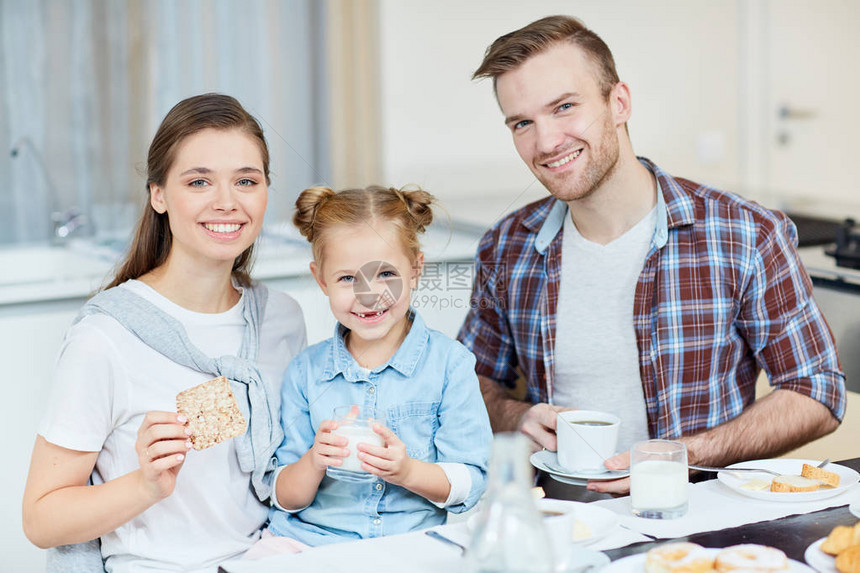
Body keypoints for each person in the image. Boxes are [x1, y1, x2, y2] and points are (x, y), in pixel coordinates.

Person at [457, 15, 845, 494]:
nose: (545, 142)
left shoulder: (745, 234)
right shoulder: (506, 246)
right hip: (560, 520)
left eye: (564, 107)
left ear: (619, 102)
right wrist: (514, 417)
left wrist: (687, 456)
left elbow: (817, 392)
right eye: (522, 123)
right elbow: (467, 383)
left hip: (695, 524)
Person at [22, 93, 306, 571]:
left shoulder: (282, 318)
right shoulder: (106, 336)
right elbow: (41, 518)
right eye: (199, 182)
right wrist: (144, 485)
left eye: (246, 181)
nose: (226, 202)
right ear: (158, 195)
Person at [266, 185, 492, 547]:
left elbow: (470, 482)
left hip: (407, 544)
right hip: (308, 542)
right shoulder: (305, 372)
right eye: (347, 278)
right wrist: (313, 461)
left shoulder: (450, 365)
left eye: (386, 274)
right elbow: (282, 494)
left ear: (416, 269)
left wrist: (407, 472)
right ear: (321, 279)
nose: (368, 294)